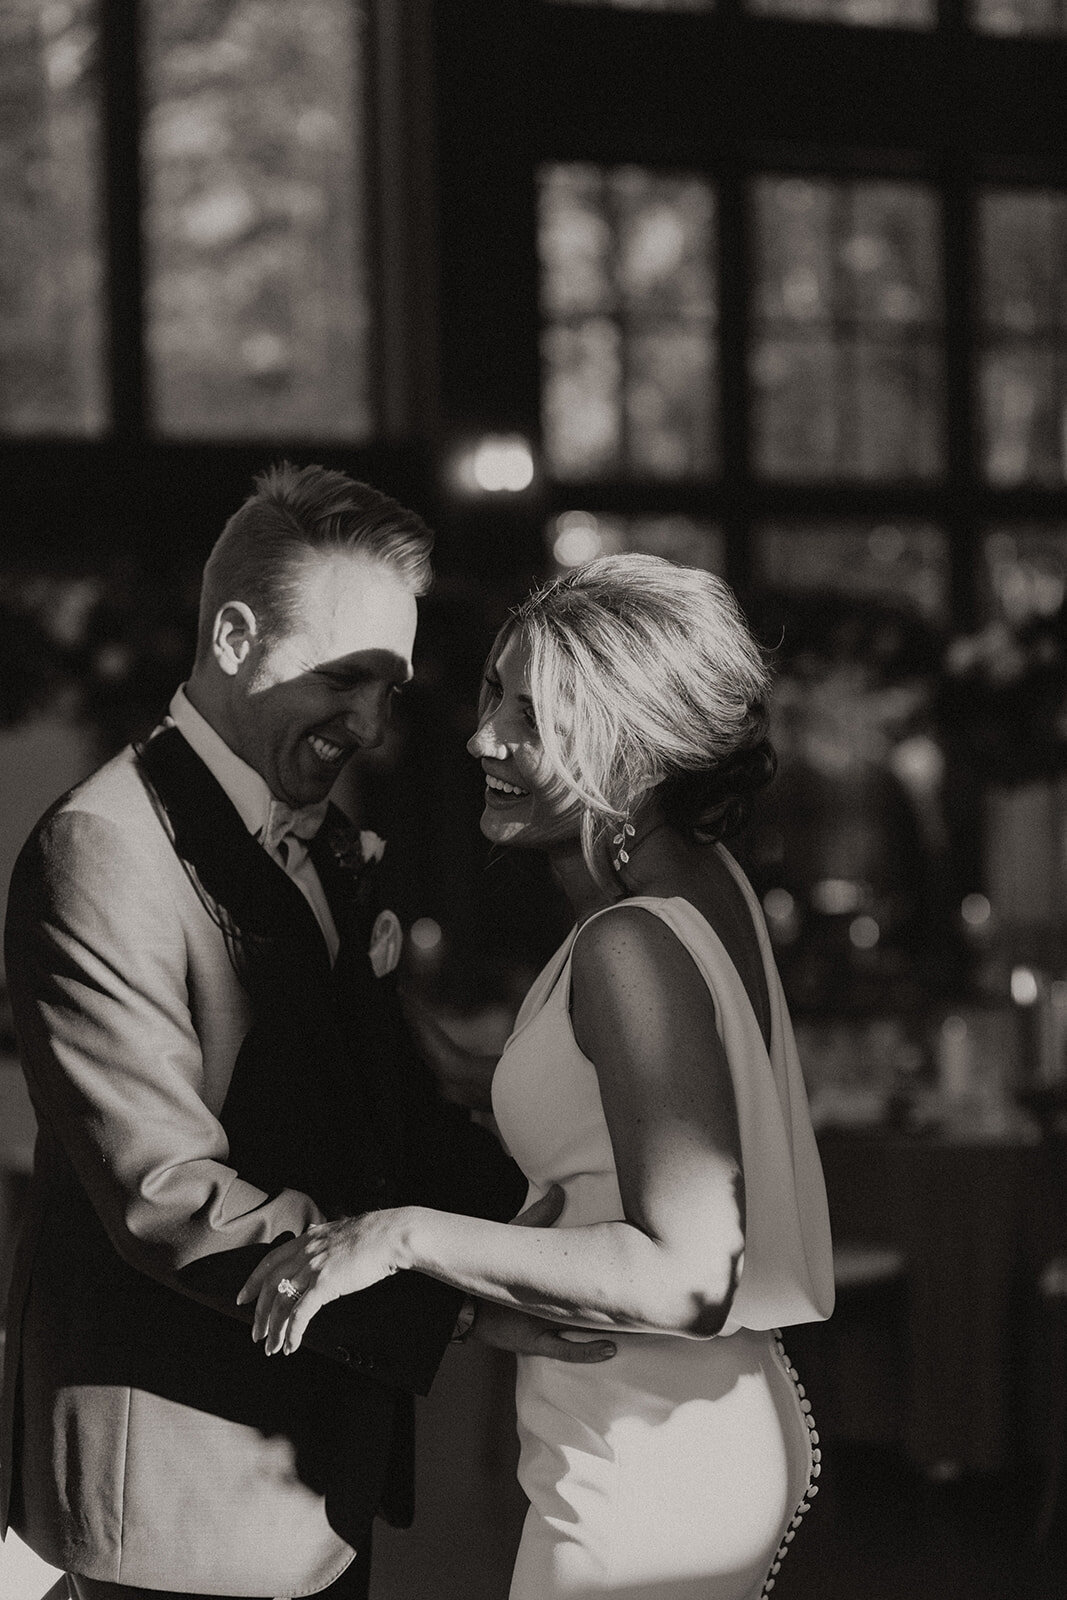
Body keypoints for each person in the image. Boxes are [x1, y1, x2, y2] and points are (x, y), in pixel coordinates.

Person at [0, 463, 612, 1600]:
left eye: (391, 688)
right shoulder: (103, 849)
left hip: (305, 1458)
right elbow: (166, 1190)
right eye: (347, 678)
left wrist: (571, 1238)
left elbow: (384, 1113)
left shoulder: (324, 841)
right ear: (233, 636)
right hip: (180, 1473)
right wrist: (462, 1298)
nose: (374, 724)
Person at [240, 552, 837, 1600]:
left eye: (536, 714)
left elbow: (684, 1274)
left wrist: (401, 1235)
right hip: (679, 1422)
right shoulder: (691, 887)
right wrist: (377, 1008)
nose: (483, 737)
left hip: (649, 1457)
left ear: (635, 746)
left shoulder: (629, 947)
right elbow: (601, 1108)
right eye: (492, 693)